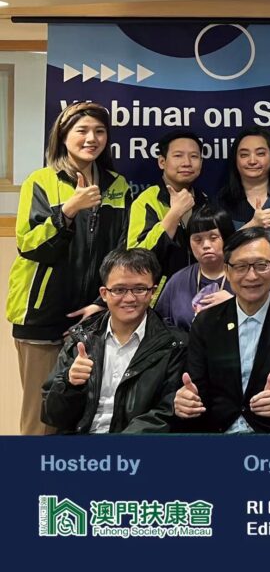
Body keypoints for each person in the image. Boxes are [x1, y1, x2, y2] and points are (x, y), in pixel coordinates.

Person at [6, 101, 132, 435]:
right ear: (63, 136)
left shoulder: (117, 185)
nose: (92, 138)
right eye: (82, 130)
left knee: (88, 413)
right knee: (42, 417)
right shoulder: (41, 181)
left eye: (100, 131)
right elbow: (30, 245)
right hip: (42, 316)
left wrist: (101, 304)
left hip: (92, 316)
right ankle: (32, 472)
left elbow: (121, 254)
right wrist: (68, 211)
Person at [173, 228, 270, 433]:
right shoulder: (206, 322)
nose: (252, 276)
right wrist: (186, 400)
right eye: (241, 266)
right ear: (227, 270)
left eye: (261, 265)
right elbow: (195, 385)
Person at [42, 249, 186, 433]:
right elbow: (51, 415)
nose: (129, 298)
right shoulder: (81, 338)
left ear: (153, 292)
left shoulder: (174, 344)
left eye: (140, 289)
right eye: (119, 290)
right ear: (104, 293)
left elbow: (166, 413)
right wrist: (69, 384)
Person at [127, 130, 210, 299]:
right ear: (162, 162)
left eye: (194, 156)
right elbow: (136, 260)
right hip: (159, 298)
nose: (187, 163)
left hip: (202, 297)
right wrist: (174, 214)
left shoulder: (205, 200)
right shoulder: (147, 200)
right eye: (178, 156)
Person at [154, 206, 236, 331]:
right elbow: (159, 325)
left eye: (213, 238)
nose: (206, 245)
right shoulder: (177, 281)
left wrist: (235, 305)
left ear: (227, 238)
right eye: (197, 239)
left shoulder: (245, 277)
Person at [217, 126, 270, 240]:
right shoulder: (220, 203)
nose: (252, 161)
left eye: (260, 154)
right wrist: (252, 224)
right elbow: (216, 248)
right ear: (235, 160)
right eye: (244, 155)